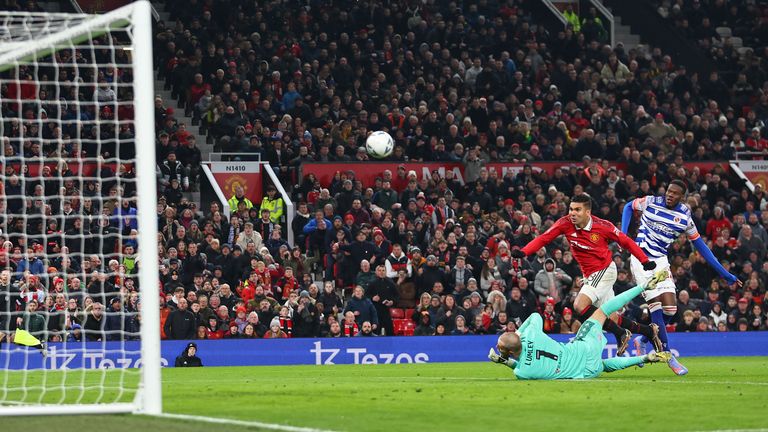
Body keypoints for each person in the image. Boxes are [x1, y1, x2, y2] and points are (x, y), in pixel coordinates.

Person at [511, 194, 660, 355]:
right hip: (590, 275)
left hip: (605, 270)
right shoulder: (565, 223)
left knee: (579, 305)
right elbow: (543, 238)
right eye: (571, 209)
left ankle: (620, 333)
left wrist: (644, 260)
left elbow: (626, 242)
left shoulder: (603, 226)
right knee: (610, 317)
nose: (572, 213)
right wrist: (524, 252)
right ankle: (649, 331)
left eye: (577, 210)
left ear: (587, 212)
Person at [622, 179, 742, 376]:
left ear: (682, 197)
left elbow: (702, 247)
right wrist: (624, 235)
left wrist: (724, 273)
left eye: (675, 193)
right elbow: (628, 207)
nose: (670, 194)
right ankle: (667, 356)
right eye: (668, 190)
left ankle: (643, 339)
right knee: (657, 309)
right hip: (640, 258)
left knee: (671, 309)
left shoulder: (685, 216)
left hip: (660, 260)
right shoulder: (650, 201)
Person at [488, 269, 673, 380]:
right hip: (582, 348)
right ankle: (643, 287)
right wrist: (520, 333)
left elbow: (519, 367)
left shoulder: (523, 373)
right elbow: (536, 315)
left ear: (510, 352)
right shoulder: (531, 335)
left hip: (585, 372)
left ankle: (644, 358)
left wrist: (504, 361)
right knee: (603, 311)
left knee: (604, 366)